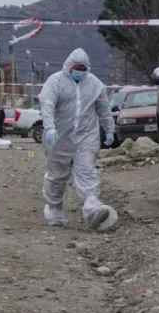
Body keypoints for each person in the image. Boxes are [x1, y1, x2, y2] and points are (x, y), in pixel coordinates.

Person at [38, 48, 116, 230]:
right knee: (57, 176)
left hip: (86, 137)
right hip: (59, 138)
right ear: (69, 66)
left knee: (87, 170)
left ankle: (92, 208)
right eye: (77, 67)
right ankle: (54, 209)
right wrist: (49, 126)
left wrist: (109, 129)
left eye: (83, 68)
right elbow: (47, 103)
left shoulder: (95, 85)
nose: (80, 71)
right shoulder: (55, 81)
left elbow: (103, 109)